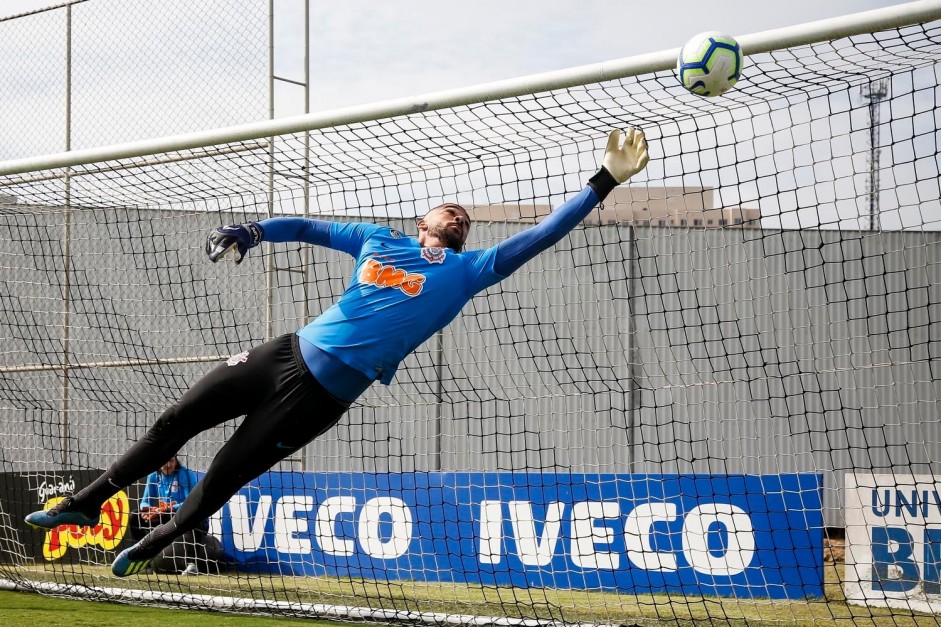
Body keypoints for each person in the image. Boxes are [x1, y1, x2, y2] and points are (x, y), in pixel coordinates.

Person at [25, 127, 649, 577]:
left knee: (221, 479)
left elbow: (541, 235)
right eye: (448, 209)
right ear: (423, 220)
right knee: (174, 422)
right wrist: (252, 230)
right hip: (283, 354)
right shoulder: (377, 239)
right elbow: (308, 227)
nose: (458, 214)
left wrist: (603, 183)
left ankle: (161, 536)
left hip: (321, 398)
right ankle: (82, 506)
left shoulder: (469, 270)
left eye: (465, 217)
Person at [129, 455, 224, 575]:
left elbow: (191, 503)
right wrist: (149, 509)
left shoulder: (186, 474)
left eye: (171, 461)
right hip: (167, 516)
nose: (168, 465)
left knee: (193, 515)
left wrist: (169, 508)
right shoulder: (154, 476)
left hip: (191, 518)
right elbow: (144, 501)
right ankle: (142, 563)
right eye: (165, 462)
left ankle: (192, 564)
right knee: (135, 516)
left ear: (176, 460)